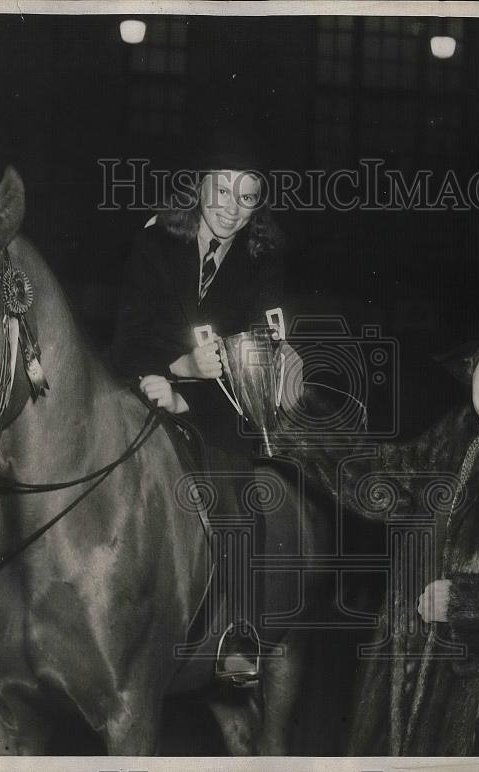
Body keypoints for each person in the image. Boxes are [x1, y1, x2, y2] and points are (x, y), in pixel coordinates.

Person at [287, 284, 479, 755]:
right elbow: (371, 480)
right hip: (403, 691)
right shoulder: (453, 443)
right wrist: (294, 405)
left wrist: (466, 606)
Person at [111, 143, 286, 683]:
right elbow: (127, 337)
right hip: (145, 386)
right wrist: (168, 370)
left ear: (258, 206)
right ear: (199, 187)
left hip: (220, 413)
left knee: (233, 500)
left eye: (247, 196)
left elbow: (263, 360)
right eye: (220, 189)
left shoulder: (265, 263)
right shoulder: (155, 242)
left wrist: (190, 390)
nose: (231, 207)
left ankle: (241, 632)